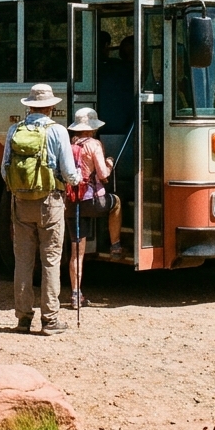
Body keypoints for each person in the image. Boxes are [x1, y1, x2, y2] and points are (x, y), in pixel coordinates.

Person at [0, 83, 80, 336]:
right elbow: (68, 172)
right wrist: (77, 179)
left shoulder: (15, 129)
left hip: (21, 203)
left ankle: (23, 318)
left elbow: (5, 170)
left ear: (29, 105)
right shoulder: (57, 131)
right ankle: (50, 319)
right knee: (51, 261)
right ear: (51, 106)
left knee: (23, 262)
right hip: (50, 201)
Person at [65, 107, 125, 310]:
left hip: (72, 203)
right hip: (93, 202)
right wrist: (109, 163)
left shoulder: (69, 144)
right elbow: (103, 175)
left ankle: (75, 294)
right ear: (91, 129)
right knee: (115, 202)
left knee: (76, 252)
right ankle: (115, 244)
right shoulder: (94, 145)